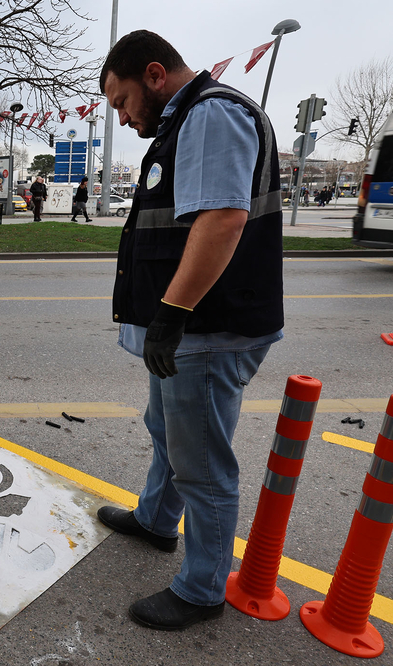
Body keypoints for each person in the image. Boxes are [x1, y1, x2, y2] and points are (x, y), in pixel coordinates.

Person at [97, 30, 283, 630]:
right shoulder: (184, 124)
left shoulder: (211, 114)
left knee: (201, 464)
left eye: (122, 101)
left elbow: (223, 219)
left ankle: (203, 589)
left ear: (154, 75)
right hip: (187, 329)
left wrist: (173, 315)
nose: (122, 119)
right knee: (168, 433)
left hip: (205, 329)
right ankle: (155, 520)